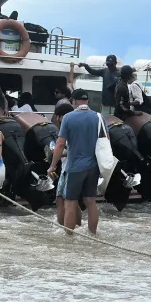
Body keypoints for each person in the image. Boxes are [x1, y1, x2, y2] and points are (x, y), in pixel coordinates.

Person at [48, 89, 106, 235]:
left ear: (73, 101)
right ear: (87, 101)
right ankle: (93, 234)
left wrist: (53, 165)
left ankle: (69, 237)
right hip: (94, 166)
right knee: (90, 201)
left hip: (75, 167)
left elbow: (60, 144)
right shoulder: (99, 117)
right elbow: (106, 142)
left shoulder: (68, 117)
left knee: (70, 202)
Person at [51, 102, 81, 229]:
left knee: (68, 200)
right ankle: (73, 226)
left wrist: (57, 156)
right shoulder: (69, 127)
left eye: (58, 116)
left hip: (71, 168)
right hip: (66, 168)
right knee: (62, 199)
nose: (57, 119)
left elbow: (75, 148)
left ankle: (69, 229)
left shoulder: (71, 128)